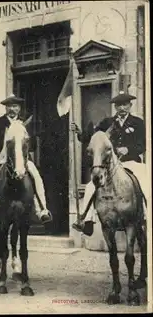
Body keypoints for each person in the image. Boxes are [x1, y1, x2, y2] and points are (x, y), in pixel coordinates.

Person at [71, 91, 147, 236]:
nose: (122, 108)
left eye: (125, 104)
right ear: (115, 107)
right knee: (90, 187)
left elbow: (143, 144)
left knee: (145, 183)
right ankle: (85, 220)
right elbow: (93, 138)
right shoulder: (107, 123)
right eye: (118, 105)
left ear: (130, 105)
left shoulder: (138, 123)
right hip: (111, 166)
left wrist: (129, 149)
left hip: (131, 163)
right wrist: (79, 133)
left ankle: (146, 214)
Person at [0, 94, 52, 224]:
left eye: (15, 106)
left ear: (19, 108)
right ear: (5, 108)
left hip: (22, 161)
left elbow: (33, 147)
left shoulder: (26, 123)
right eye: (9, 106)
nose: (12, 109)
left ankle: (42, 210)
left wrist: (30, 136)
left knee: (36, 177)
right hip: (0, 160)